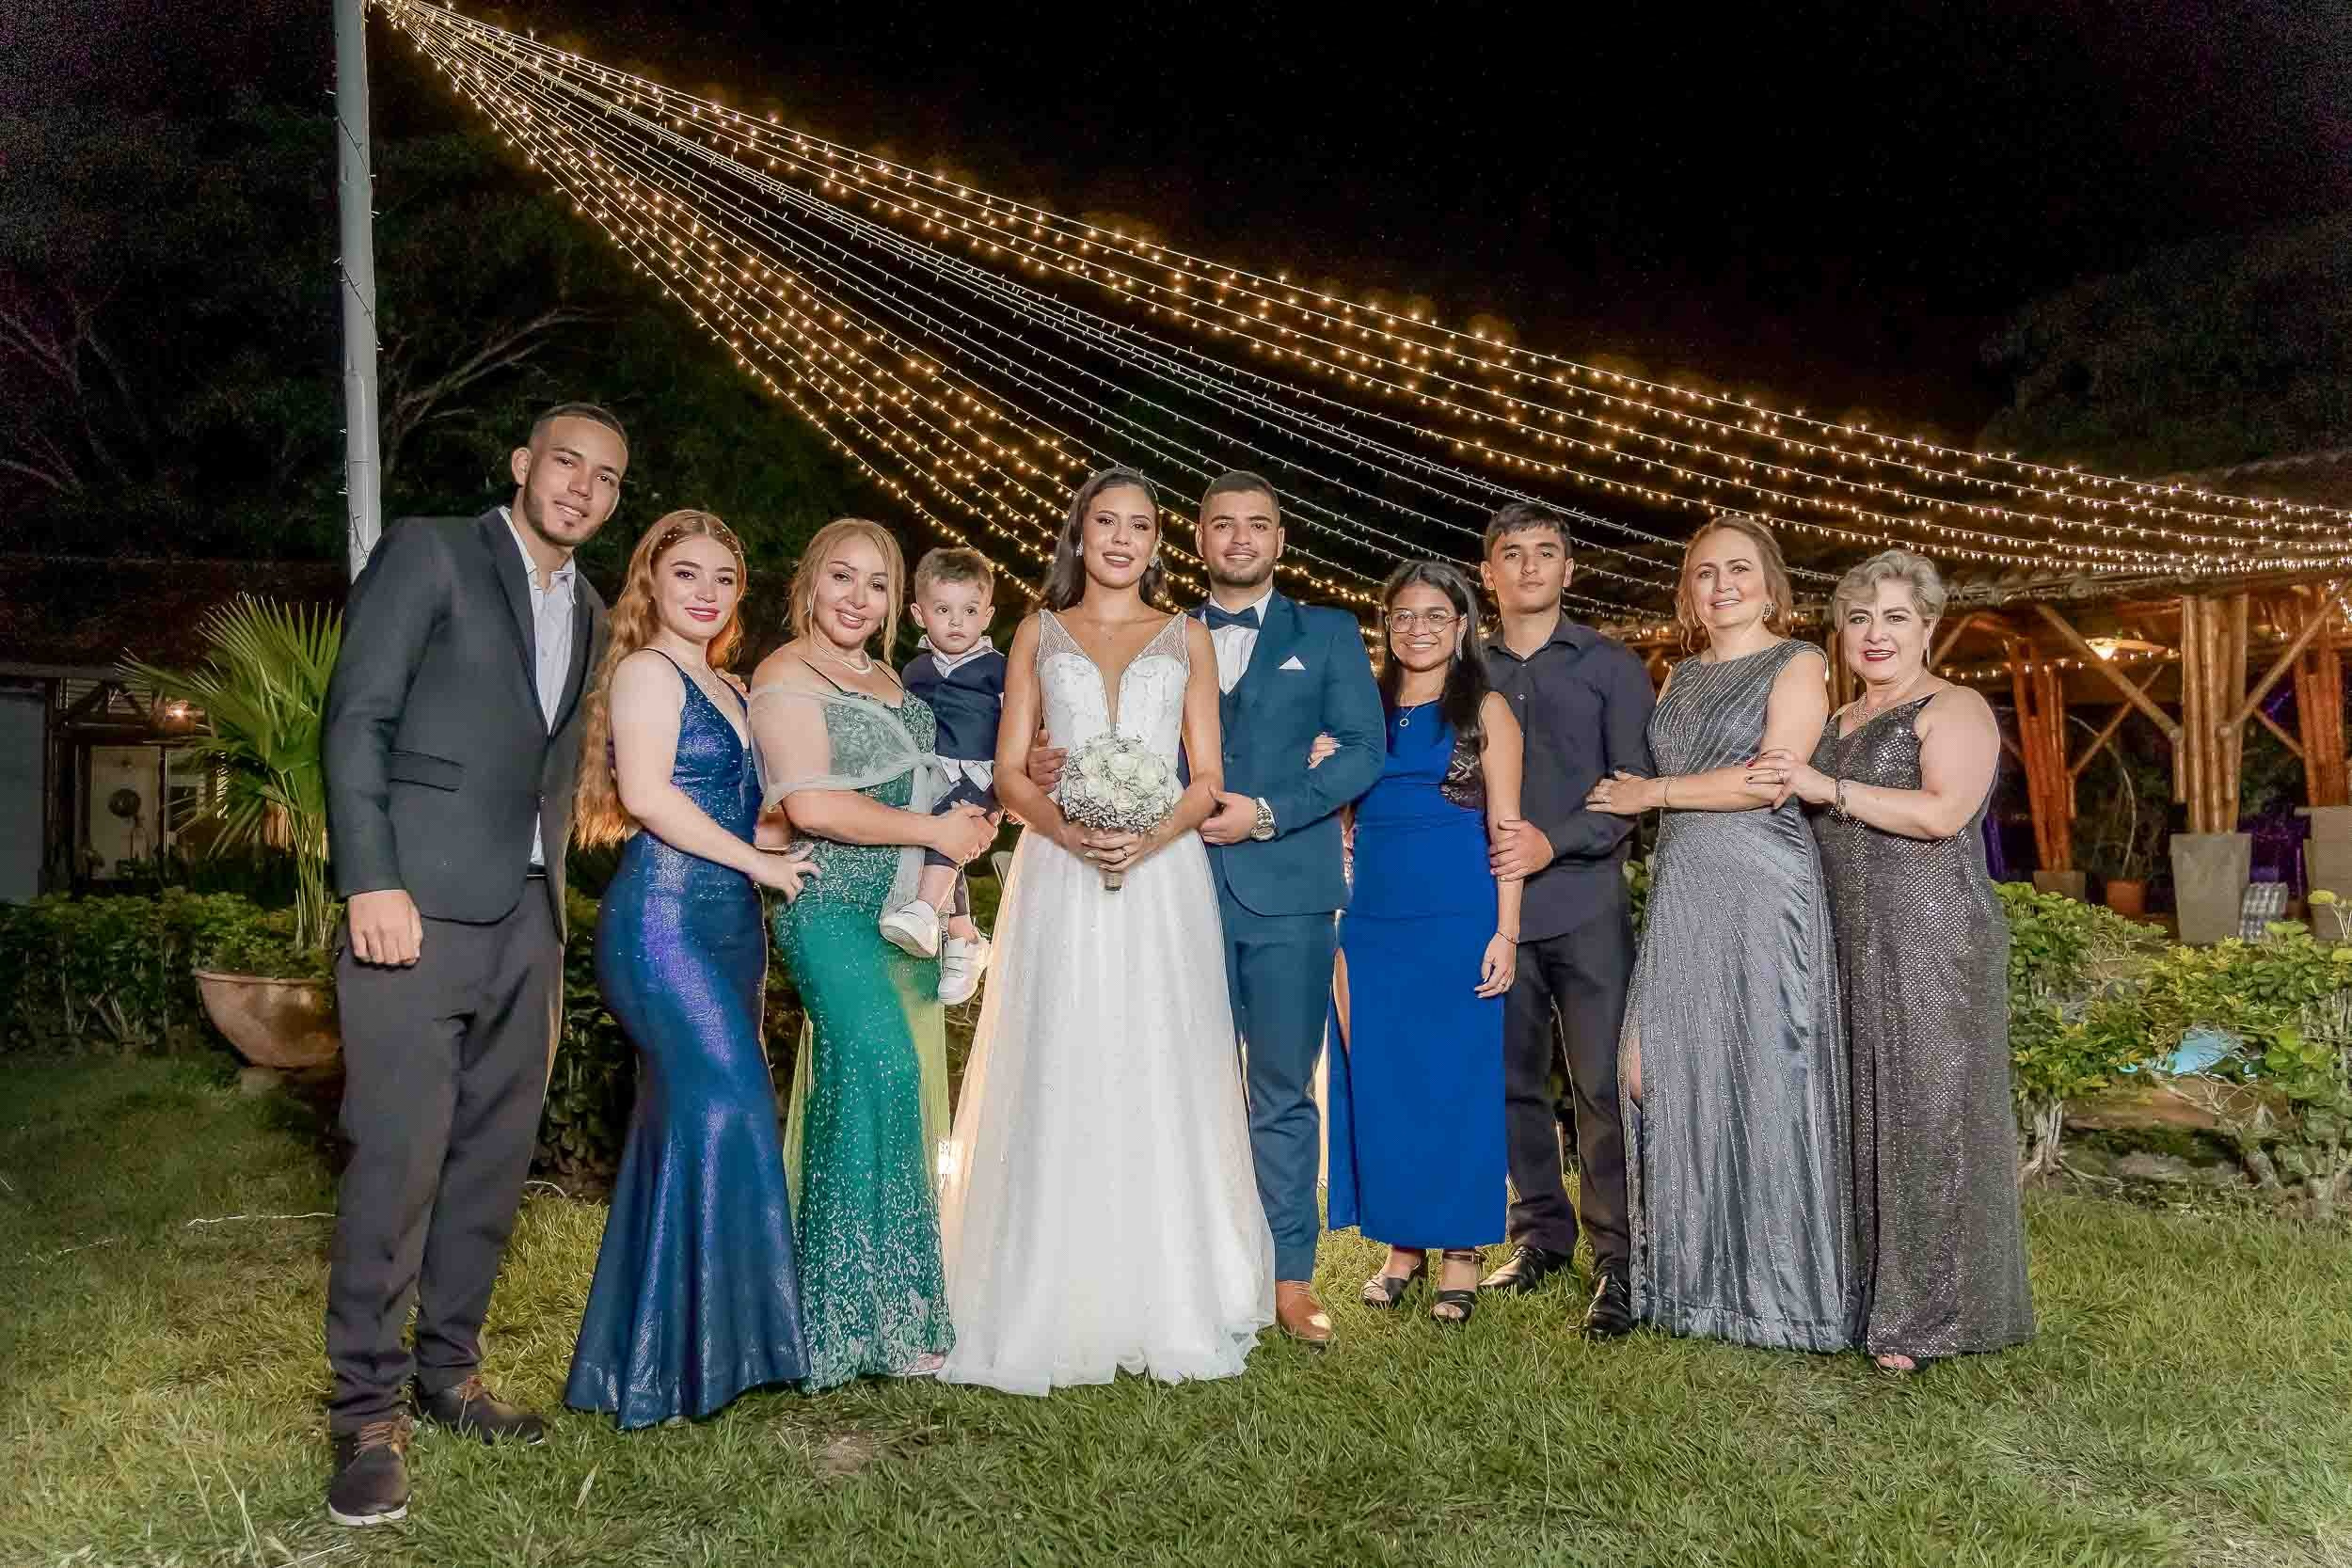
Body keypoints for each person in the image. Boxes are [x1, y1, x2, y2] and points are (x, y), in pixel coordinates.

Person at [319, 402, 623, 1527]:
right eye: (565, 463)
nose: (581, 488)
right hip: (416, 909)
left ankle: (448, 1374)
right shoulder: (431, 550)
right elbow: (357, 720)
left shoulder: (590, 609)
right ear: (522, 463)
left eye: (604, 477)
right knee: (397, 1160)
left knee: (491, 1159)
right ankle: (365, 1411)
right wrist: (370, 879)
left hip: (528, 920)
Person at [1029, 469, 1384, 1347]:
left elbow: (1364, 751)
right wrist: (1054, 767)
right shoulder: (1165, 632)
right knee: (1165, 1084)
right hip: (1161, 887)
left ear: (1279, 539)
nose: (1239, 539)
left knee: (1278, 1089)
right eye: (1222, 525)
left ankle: (1286, 1277)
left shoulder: (1328, 632)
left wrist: (1269, 810)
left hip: (1287, 890)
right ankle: (1173, 1267)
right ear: (1195, 538)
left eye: (1256, 526)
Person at [939, 466, 1274, 1394]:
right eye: (1105, 523)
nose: (1121, 538)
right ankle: (1047, 1278)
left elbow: (1204, 776)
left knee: (1160, 1055)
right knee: (1063, 1051)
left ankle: (1166, 1278)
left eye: (1138, 525)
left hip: (1163, 880)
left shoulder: (1188, 637)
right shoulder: (1036, 633)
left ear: (1155, 542)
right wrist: (1071, 832)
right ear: (1078, 536)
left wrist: (1148, 837)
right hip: (1060, 870)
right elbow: (1010, 773)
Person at [1750, 548, 2035, 1374]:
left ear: (1928, 627)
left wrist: (1821, 786)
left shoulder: (1956, 706)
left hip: (1931, 932)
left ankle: (1929, 1316)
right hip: (1841, 933)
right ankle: (1858, 1295)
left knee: (1924, 1112)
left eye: (1895, 617)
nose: (1875, 634)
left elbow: (1945, 813)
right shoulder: (1836, 720)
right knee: (1850, 1113)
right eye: (1860, 618)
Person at [563, 512, 818, 1429]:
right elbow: (646, 794)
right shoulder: (645, 671)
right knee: (728, 1105)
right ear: (652, 584)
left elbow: (758, 817)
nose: (706, 592)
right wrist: (758, 864)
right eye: (686, 575)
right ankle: (699, 1353)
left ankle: (663, 1356)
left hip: (729, 927)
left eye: (722, 576)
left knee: (685, 1125)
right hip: (663, 922)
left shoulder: (736, 686)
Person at [1585, 513, 1858, 1353]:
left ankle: (1779, 1294)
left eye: (1739, 569)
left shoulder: (1800, 662)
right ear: (1687, 592)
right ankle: (1689, 1283)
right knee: (1657, 1067)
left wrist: (1650, 797)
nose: (1722, 584)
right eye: (1705, 573)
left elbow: (1770, 779)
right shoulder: (1678, 675)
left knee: (1766, 1067)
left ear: (1772, 585)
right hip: (1684, 883)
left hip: (1762, 884)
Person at [748, 519, 995, 1388]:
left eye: (879, 583)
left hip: (903, 916)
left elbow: (938, 784)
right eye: (842, 578)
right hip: (830, 907)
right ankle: (834, 1319)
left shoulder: (896, 678)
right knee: (875, 1074)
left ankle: (905, 1312)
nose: (859, 598)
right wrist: (937, 829)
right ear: (809, 582)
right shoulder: (782, 675)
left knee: (905, 1097)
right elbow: (810, 805)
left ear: (899, 601)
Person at [1476, 502, 1657, 1338]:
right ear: (1489, 573)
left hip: (1585, 902)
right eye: (1512, 554)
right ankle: (1540, 1234)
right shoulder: (1462, 668)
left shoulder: (1611, 665)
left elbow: (1630, 790)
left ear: (1568, 569)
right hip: (1493, 911)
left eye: (1546, 552)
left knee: (1600, 1087)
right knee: (1512, 1082)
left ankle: (1619, 1260)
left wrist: (1555, 840)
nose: (1529, 567)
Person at [1328, 562, 1523, 1327]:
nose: (1417, 628)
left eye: (1434, 615)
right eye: (1403, 614)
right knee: (1385, 1080)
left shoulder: (1487, 710)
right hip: (1373, 919)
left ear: (1462, 624)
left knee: (1457, 1080)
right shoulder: (1361, 707)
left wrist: (1506, 930)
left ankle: (1462, 1254)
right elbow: (1341, 813)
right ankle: (1401, 1247)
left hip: (1458, 914)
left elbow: (1506, 829)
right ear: (1387, 625)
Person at [886, 546, 1008, 1006]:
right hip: (930, 770)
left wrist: (1011, 795)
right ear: (919, 614)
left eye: (970, 610)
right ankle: (963, 936)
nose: (957, 622)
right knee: (931, 834)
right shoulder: (913, 671)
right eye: (943, 610)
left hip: (982, 773)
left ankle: (923, 910)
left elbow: (1023, 726)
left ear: (987, 614)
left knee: (946, 821)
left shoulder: (999, 669)